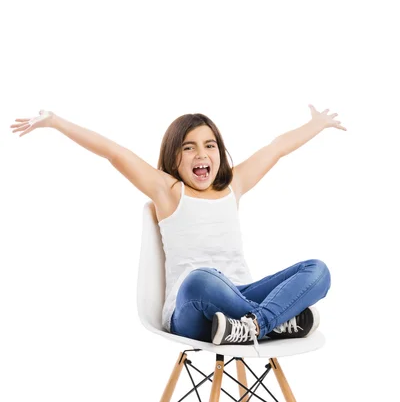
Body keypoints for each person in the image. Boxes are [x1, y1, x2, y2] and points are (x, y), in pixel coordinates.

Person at [11, 106, 346, 355]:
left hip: (241, 298)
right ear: (174, 157)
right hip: (193, 306)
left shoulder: (235, 185)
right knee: (202, 278)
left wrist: (316, 125)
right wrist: (55, 122)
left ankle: (256, 325)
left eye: (209, 145)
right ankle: (277, 320)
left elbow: (276, 149)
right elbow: (114, 153)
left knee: (318, 271)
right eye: (189, 147)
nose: (201, 154)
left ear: (220, 153)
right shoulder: (168, 191)